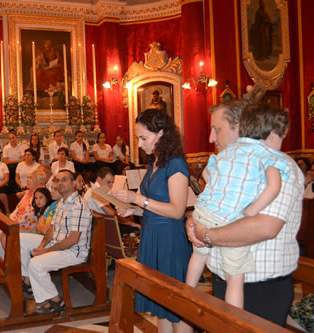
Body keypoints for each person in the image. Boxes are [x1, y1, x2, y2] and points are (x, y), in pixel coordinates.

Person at [185, 101, 303, 327]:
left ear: (240, 126)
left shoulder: (278, 166)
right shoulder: (230, 164)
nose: (211, 138)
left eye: (217, 129)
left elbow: (265, 227)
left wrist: (206, 234)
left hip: (260, 291)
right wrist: (193, 221)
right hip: (224, 281)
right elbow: (214, 204)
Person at [110, 108, 191, 333]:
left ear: (162, 134)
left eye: (143, 137)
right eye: (138, 138)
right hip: (151, 236)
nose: (139, 144)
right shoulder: (154, 162)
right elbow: (155, 208)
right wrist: (133, 211)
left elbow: (176, 211)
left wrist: (137, 199)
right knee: (160, 304)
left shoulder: (175, 164)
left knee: (176, 308)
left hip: (169, 241)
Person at [19, 169, 92, 314]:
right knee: (20, 239)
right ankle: (28, 281)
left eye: (64, 179)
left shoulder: (79, 205)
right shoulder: (61, 203)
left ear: (73, 182)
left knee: (35, 264)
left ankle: (55, 300)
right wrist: (41, 246)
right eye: (57, 180)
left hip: (73, 252)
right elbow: (51, 229)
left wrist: (45, 251)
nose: (60, 183)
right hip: (57, 244)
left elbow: (72, 240)